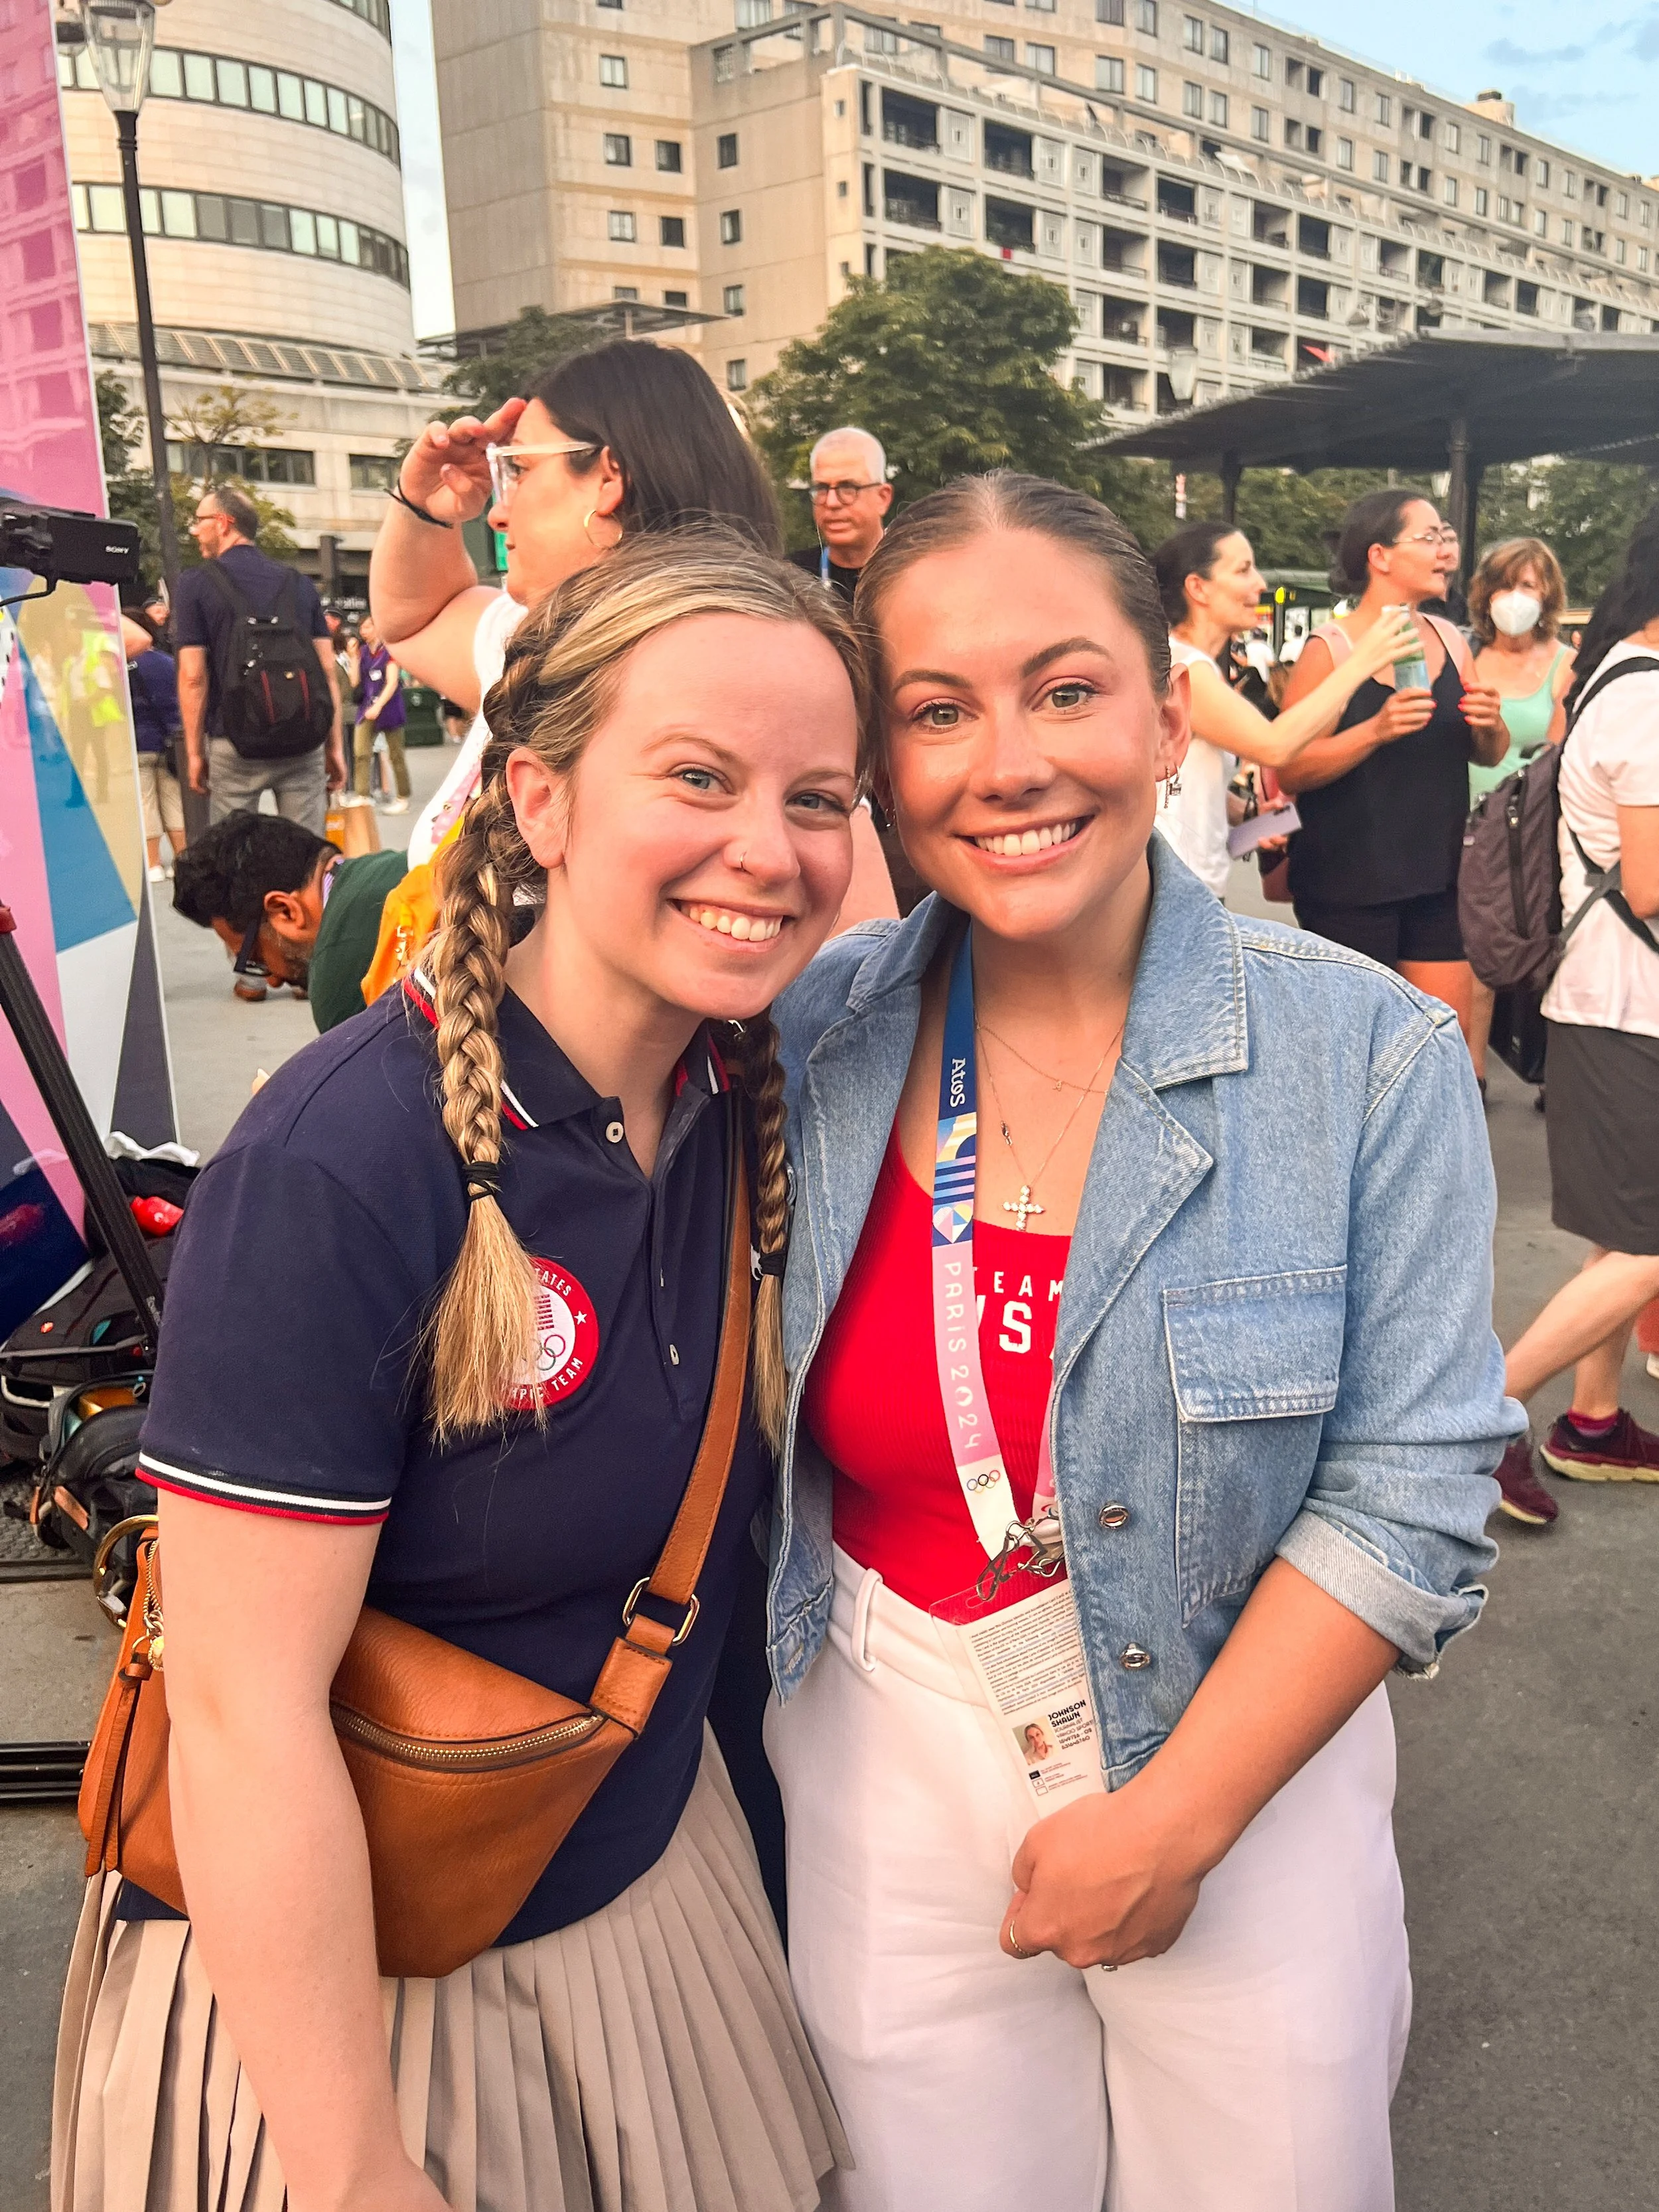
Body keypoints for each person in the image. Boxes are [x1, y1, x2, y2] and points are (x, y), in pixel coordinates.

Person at [54, 528, 866, 2212]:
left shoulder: (742, 1095)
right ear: (541, 800)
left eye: (818, 796)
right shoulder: (341, 1161)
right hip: (375, 2003)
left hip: (658, 1893)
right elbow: (238, 1712)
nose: (768, 849)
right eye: (698, 776)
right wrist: (351, 2165)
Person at [766, 474, 1514, 2210]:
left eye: (1067, 687)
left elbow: (1412, 1483)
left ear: (1171, 706)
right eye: (935, 710)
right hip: (884, 1738)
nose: (1005, 761)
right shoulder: (808, 1036)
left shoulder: (1359, 1056)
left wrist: (1171, 1825)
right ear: (881, 757)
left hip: (1240, 1769)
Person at [371, 339, 784, 873]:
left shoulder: (761, 689)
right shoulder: (532, 640)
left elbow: (846, 945)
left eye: (518, 468)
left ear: (609, 479)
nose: (497, 513)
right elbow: (414, 619)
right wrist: (422, 504)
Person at [1490, 510, 1659, 1526]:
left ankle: (1592, 1421)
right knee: (1647, 1244)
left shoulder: (1618, 681)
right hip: (1626, 1003)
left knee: (1625, 1232)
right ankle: (1479, 1415)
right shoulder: (1647, 702)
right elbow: (1652, 882)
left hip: (1615, 1001)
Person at [1275, 488, 1508, 1041]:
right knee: (1356, 1054)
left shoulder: (1451, 640)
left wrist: (1490, 724)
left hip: (1438, 877)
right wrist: (1374, 731)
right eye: (1430, 538)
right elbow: (1289, 768)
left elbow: (1486, 754)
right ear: (1379, 556)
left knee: (1437, 1047)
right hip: (1348, 888)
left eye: (1446, 537)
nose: (1446, 552)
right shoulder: (1329, 647)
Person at [1152, 522, 1419, 897]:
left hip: (1190, 889)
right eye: (1243, 570)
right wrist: (1360, 663)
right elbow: (1275, 746)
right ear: (1198, 587)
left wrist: (1247, 816)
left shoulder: (1188, 663)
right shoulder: (1187, 669)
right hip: (1178, 894)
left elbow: (1181, 783)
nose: (1260, 583)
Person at [1465, 537, 1577, 1090]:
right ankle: (1473, 1072)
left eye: (1528, 585)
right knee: (1469, 949)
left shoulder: (1566, 664)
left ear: (1548, 594)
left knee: (1534, 941)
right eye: (1506, 584)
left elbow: (1560, 755)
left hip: (1528, 830)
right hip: (1459, 823)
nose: (1515, 598)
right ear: (1485, 593)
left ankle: (1555, 1069)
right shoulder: (1464, 654)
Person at [173, 483, 344, 836]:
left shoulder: (196, 584)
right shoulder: (298, 583)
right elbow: (327, 670)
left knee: (234, 851)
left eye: (199, 521)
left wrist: (194, 753)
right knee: (307, 852)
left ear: (223, 523)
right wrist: (335, 746)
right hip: (303, 738)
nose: (195, 531)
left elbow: (193, 676)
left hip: (233, 741)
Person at [172, 812, 414, 1030]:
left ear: (285, 911)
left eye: (257, 958)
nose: (273, 981)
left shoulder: (336, 980)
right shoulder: (398, 864)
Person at [788, 427, 893, 607]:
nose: (831, 502)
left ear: (882, 498)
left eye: (848, 488)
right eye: (822, 489)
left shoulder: (913, 573)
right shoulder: (789, 580)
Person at [121, 608, 184, 883]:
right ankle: (182, 861)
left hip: (137, 743)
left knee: (146, 803)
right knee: (174, 801)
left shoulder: (117, 663)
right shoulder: (166, 662)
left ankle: (154, 863)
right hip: (171, 743)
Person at [353, 612, 411, 814]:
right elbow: (355, 683)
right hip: (367, 707)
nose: (363, 631)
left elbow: (392, 682)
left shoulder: (389, 651)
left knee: (396, 754)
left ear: (378, 628)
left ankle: (403, 797)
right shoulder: (362, 652)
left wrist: (379, 706)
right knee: (361, 752)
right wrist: (353, 659)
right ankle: (362, 795)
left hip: (389, 707)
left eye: (368, 627)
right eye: (361, 628)